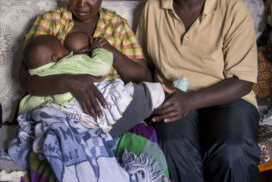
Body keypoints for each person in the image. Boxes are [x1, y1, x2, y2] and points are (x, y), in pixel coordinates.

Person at [136, 0, 260, 182]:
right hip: (174, 98)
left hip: (229, 100)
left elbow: (243, 81)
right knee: (172, 147)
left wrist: (191, 101)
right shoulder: (153, 10)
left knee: (232, 152)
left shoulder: (232, 11)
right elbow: (145, 66)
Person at [20, 0, 152, 122]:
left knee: (144, 99)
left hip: (109, 108)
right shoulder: (50, 22)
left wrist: (108, 50)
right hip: (61, 110)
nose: (81, 3)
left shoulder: (117, 25)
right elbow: (26, 79)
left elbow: (142, 77)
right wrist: (69, 82)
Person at [18, 33, 166, 135]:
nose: (69, 51)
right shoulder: (70, 61)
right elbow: (101, 67)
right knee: (144, 92)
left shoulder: (41, 77)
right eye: (63, 47)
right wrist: (101, 49)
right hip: (99, 110)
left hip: (72, 122)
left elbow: (28, 106)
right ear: (56, 57)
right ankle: (165, 91)